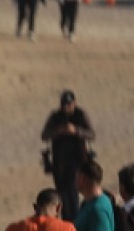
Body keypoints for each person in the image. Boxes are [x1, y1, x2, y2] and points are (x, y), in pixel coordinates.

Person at [41, 90, 96, 219]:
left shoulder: (80, 115)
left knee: (73, 195)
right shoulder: (56, 117)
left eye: (69, 104)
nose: (66, 107)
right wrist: (58, 131)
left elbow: (91, 134)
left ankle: (75, 223)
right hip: (60, 163)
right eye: (64, 105)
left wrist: (76, 131)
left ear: (74, 103)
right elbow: (44, 135)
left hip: (77, 161)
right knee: (62, 196)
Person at [73, 159, 114, 231]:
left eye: (76, 177)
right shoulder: (88, 204)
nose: (75, 181)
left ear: (82, 179)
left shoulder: (98, 208)